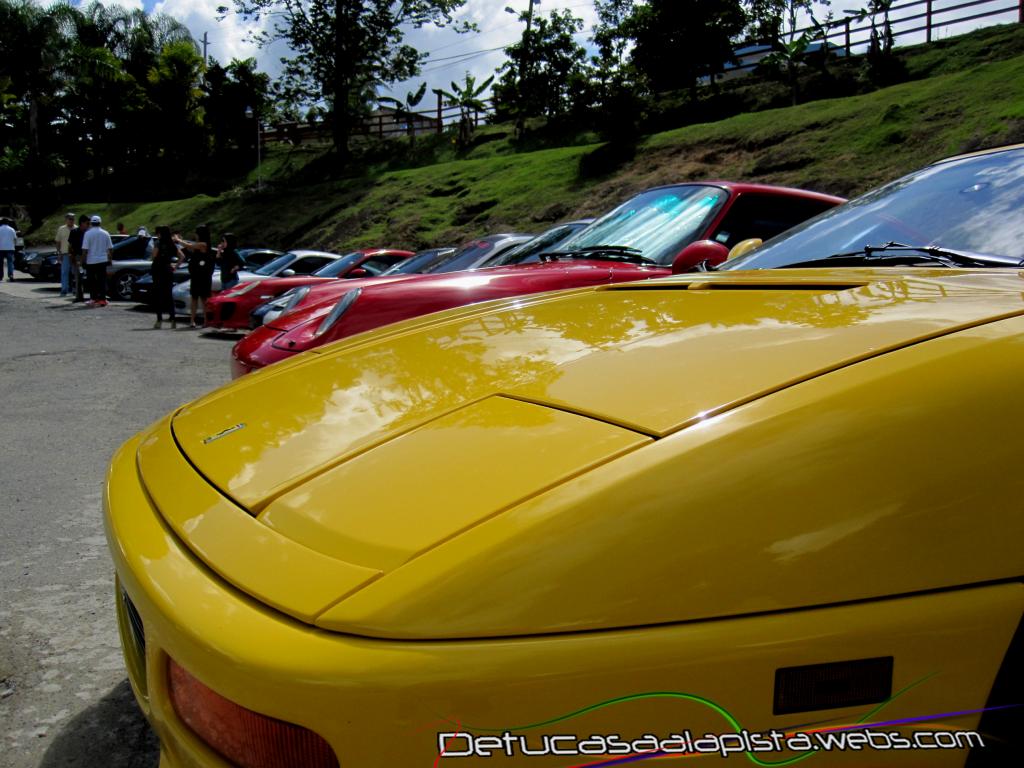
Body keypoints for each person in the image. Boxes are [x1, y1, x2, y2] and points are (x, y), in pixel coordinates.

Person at [174, 225, 213, 328]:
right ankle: (192, 320)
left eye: (196, 233)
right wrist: (181, 241)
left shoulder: (204, 244)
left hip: (203, 276)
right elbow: (190, 247)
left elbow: (191, 246)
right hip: (196, 275)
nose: (195, 235)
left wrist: (178, 239)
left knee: (204, 299)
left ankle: (206, 320)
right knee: (194, 298)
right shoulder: (199, 245)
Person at [151, 226, 182, 329]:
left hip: (158, 269)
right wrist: (175, 266)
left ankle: (159, 320)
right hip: (168, 269)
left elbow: (154, 255)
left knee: (158, 295)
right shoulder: (171, 243)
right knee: (169, 295)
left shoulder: (158, 243)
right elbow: (182, 256)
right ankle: (173, 319)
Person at [81, 215, 113, 306]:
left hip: (91, 261)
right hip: (102, 260)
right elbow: (110, 248)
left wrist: (83, 261)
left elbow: (85, 250)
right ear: (100, 223)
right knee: (102, 280)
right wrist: (110, 259)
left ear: (91, 223)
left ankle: (93, 299)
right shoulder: (105, 233)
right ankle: (103, 299)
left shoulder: (88, 233)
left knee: (92, 281)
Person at [68, 214, 89, 302]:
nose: (88, 224)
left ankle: (92, 296)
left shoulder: (89, 232)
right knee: (78, 277)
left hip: (88, 256)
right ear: (82, 223)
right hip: (78, 256)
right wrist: (71, 256)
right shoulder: (74, 232)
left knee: (90, 277)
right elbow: (70, 245)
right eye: (86, 223)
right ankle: (79, 296)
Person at [55, 213, 75, 296]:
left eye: (73, 219)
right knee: (64, 272)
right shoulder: (61, 229)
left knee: (75, 272)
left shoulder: (77, 228)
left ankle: (75, 289)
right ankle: (64, 289)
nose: (71, 220)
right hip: (65, 254)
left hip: (74, 254)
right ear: (66, 220)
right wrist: (59, 253)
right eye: (70, 219)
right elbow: (58, 241)